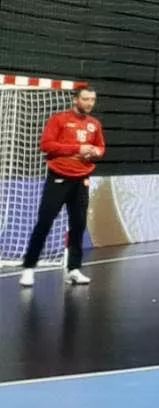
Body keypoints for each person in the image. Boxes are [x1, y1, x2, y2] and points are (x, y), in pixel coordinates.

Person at [18, 86, 104, 288]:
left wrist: (96, 152)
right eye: (85, 99)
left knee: (78, 225)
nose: (90, 103)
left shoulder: (94, 124)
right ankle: (29, 268)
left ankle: (74, 269)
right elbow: (46, 145)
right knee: (45, 222)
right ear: (75, 100)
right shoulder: (59, 120)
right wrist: (77, 148)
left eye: (93, 99)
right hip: (59, 177)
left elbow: (101, 146)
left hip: (82, 180)